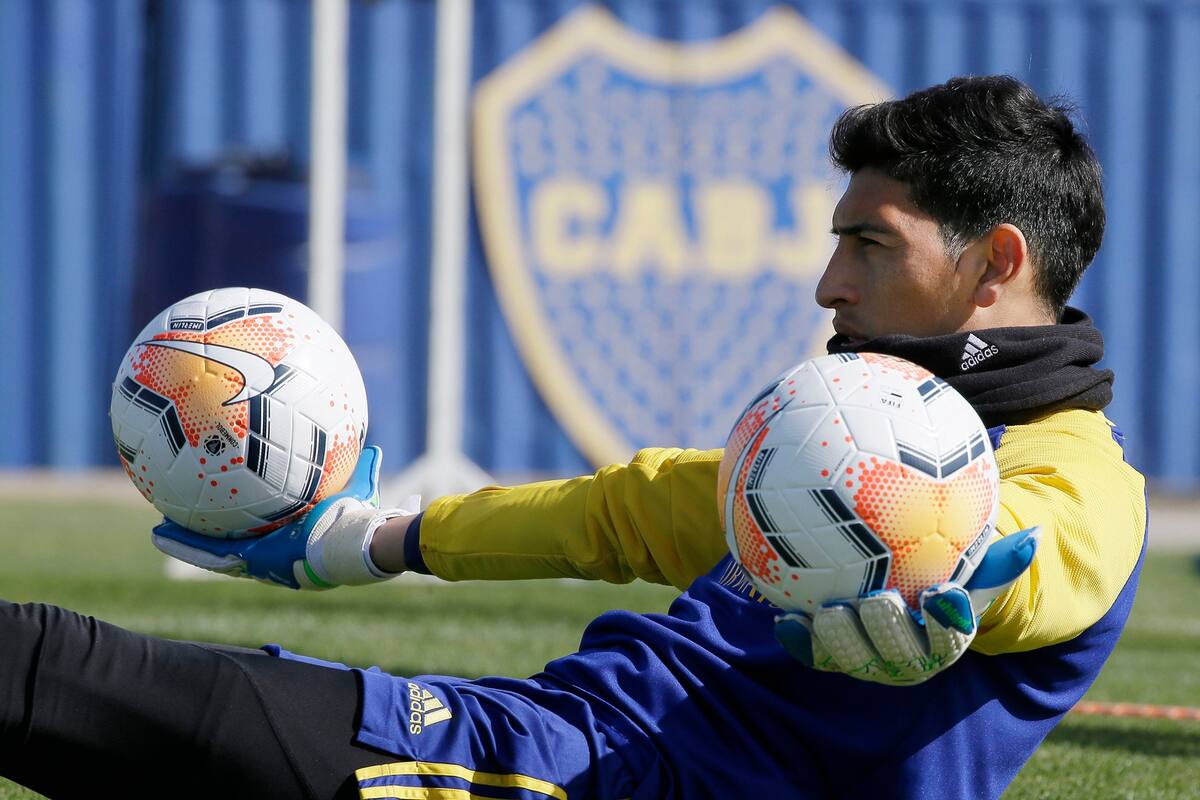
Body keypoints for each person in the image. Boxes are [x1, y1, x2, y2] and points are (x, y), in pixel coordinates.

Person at [0, 75, 1145, 800]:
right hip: (564, 739)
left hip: (588, 777)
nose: (827, 282)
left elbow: (1042, 560)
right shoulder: (837, 443)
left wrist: (954, 584)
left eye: (871, 245)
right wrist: (363, 539)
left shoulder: (1075, 477)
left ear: (997, 263)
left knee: (43, 669)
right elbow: (627, 509)